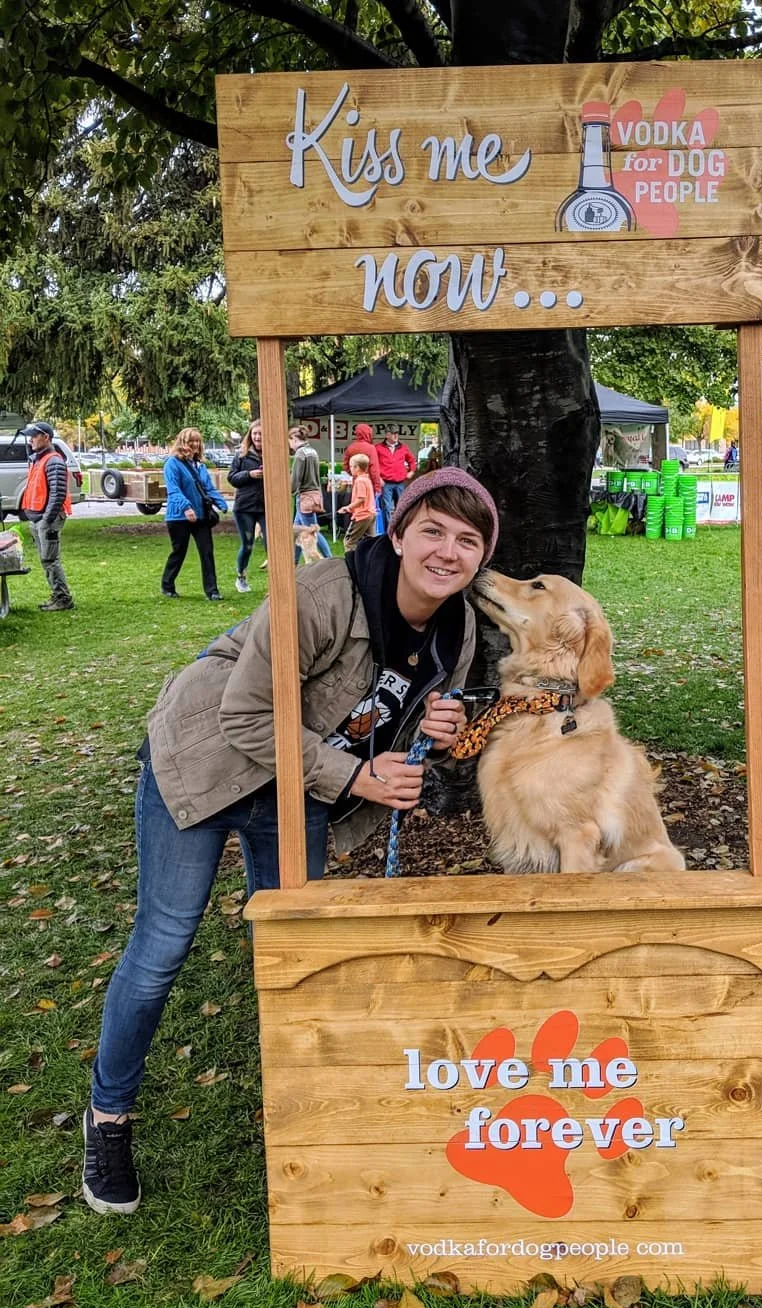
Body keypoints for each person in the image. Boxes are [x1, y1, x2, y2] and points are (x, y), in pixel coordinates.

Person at [81, 468, 498, 1215]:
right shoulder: (319, 596)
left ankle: (311, 1120)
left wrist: (436, 733)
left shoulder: (458, 631)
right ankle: (108, 1118)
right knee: (163, 945)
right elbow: (245, 717)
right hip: (206, 760)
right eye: (432, 529)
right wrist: (357, 777)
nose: (448, 551)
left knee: (297, 950)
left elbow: (404, 728)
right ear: (397, 532)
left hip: (298, 784)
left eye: (469, 540)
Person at [161, 428, 228, 602]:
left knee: (207, 552)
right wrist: (186, 507)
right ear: (182, 442)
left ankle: (212, 591)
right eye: (191, 441)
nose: (195, 445)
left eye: (198, 441)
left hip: (201, 516)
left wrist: (221, 503)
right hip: (179, 517)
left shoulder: (200, 466)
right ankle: (167, 585)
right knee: (179, 551)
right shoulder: (172, 464)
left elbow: (208, 488)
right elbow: (173, 490)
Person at [22, 421, 75, 611]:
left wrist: (47, 519)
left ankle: (63, 598)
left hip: (48, 519)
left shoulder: (53, 460)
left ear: (46, 437)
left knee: (50, 560)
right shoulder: (39, 459)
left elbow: (58, 493)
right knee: (47, 559)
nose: (31, 440)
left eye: (34, 436)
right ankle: (58, 595)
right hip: (39, 519)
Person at [229, 420, 267, 593]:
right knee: (248, 544)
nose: (258, 437)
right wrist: (249, 474)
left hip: (266, 507)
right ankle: (241, 577)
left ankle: (276, 580)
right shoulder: (241, 455)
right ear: (250, 436)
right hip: (245, 507)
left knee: (272, 543)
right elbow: (232, 478)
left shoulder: (273, 453)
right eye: (255, 434)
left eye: (261, 433)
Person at [289, 426, 332, 563]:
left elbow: (296, 477)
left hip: (304, 496)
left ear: (294, 439)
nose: (290, 445)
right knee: (295, 532)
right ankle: (293, 562)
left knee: (313, 531)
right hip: (313, 493)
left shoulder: (300, 454)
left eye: (289, 441)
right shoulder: (312, 451)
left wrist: (289, 491)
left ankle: (329, 559)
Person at [375, 428, 417, 522]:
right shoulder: (378, 448)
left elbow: (412, 460)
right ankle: (389, 532)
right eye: (393, 433)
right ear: (387, 435)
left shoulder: (403, 447)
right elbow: (373, 464)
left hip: (400, 483)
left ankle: (400, 528)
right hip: (386, 483)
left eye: (397, 433)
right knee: (387, 508)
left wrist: (412, 471)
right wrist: (378, 477)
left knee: (402, 507)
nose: (395, 435)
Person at [339, 451, 377, 552]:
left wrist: (348, 507)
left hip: (362, 515)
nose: (350, 469)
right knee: (369, 542)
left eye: (351, 466)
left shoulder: (359, 481)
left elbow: (361, 499)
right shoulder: (367, 479)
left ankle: (351, 564)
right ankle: (368, 562)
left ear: (357, 468)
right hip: (371, 514)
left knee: (349, 541)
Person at [346, 424, 383, 497]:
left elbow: (345, 466)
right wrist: (377, 487)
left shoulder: (350, 447)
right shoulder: (371, 448)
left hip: (356, 481)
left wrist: (355, 474)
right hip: (368, 482)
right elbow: (374, 470)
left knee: (356, 503)